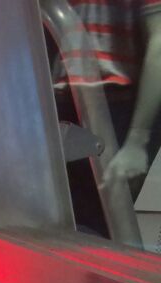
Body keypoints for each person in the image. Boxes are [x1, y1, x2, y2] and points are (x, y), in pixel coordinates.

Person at [51, 2, 161, 237]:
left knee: (96, 226)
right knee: (64, 229)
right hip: (62, 98)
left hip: (112, 104)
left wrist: (138, 140)